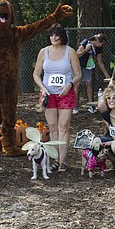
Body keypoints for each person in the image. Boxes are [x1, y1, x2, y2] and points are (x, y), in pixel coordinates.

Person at [33, 23, 82, 172]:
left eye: (57, 35)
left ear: (62, 37)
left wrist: (70, 84)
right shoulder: (44, 52)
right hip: (49, 94)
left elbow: (78, 74)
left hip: (65, 94)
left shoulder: (70, 52)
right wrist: (42, 88)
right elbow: (36, 74)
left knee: (63, 127)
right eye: (52, 34)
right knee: (52, 127)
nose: (54, 37)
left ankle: (63, 160)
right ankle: (54, 159)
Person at [75, 33, 110, 114]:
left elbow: (100, 62)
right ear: (97, 40)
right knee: (77, 85)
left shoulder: (98, 48)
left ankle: (91, 105)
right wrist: (86, 50)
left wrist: (106, 75)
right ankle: (75, 106)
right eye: (101, 43)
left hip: (87, 67)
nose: (101, 45)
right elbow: (77, 55)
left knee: (89, 84)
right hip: (78, 66)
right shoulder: (85, 42)